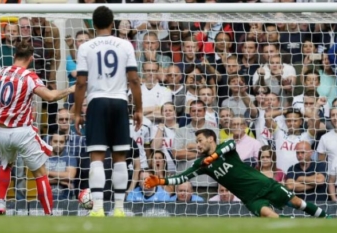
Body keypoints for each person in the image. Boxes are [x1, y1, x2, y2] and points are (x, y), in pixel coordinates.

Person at [144, 129, 330, 218]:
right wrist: (159, 180)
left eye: (200, 141)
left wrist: (214, 156)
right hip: (249, 198)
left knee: (297, 202)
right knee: (273, 219)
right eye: (197, 142)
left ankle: (325, 218)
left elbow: (231, 144)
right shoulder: (202, 164)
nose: (198, 144)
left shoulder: (226, 147)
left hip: (264, 184)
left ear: (211, 139)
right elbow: (182, 177)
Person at [0, 40, 75, 216]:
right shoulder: (30, 77)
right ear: (31, 58)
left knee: (5, 165)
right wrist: (69, 90)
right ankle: (49, 214)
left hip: (1, 131)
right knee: (40, 173)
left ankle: (1, 203)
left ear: (15, 55)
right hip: (22, 131)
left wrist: (2, 112)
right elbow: (49, 96)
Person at [74, 6, 142, 217]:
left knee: (97, 156)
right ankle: (119, 209)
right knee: (120, 156)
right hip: (120, 102)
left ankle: (98, 208)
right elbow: (134, 79)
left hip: (97, 102)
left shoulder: (85, 47)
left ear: (93, 25)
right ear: (113, 24)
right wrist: (138, 108)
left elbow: (81, 83)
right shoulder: (125, 45)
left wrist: (77, 112)